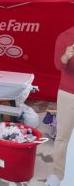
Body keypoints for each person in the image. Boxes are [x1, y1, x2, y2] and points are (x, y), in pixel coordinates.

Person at [46, 27, 74, 186]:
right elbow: (58, 64)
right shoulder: (65, 36)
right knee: (63, 136)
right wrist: (65, 57)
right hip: (68, 93)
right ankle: (58, 174)